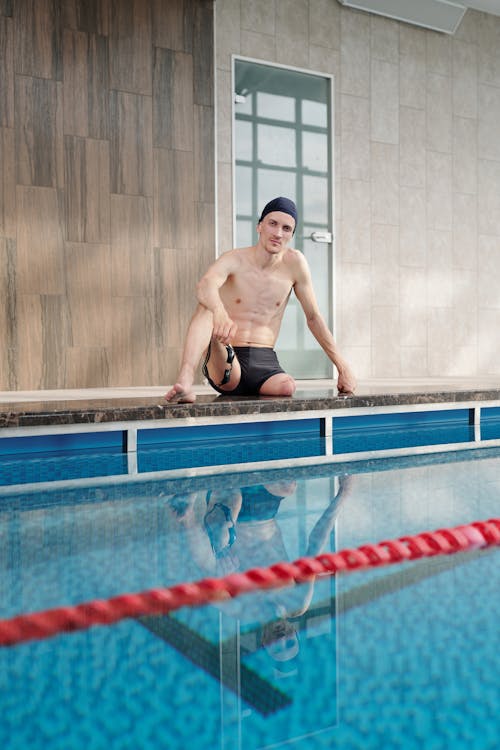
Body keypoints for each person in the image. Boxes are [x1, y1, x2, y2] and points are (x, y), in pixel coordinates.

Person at [165, 196, 356, 403]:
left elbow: (313, 318)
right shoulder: (234, 258)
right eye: (272, 224)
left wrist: (342, 367)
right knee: (206, 306)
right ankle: (185, 379)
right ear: (259, 226)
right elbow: (204, 285)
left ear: (292, 235)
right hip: (227, 356)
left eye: (286, 228)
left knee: (287, 387)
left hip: (265, 361)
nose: (277, 233)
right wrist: (219, 312)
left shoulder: (295, 264)